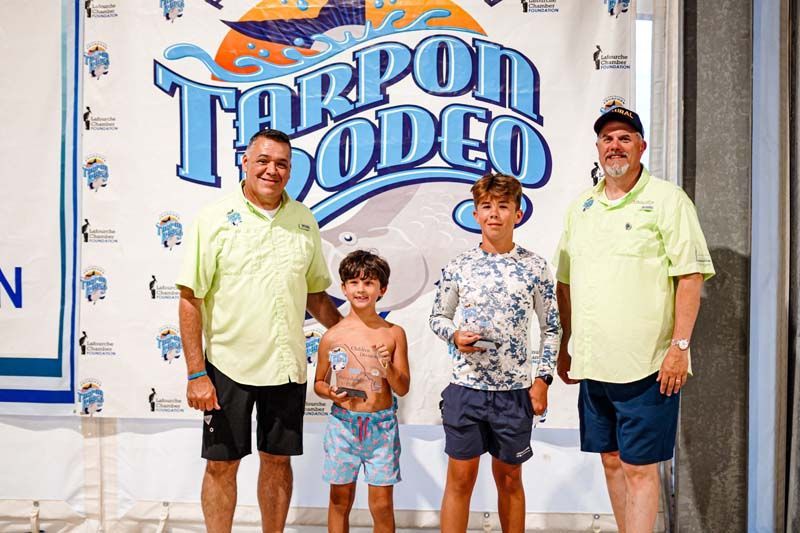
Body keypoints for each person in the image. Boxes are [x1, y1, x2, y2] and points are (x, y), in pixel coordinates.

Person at [554, 106, 715, 533]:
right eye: (607, 138)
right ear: (598, 148)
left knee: (639, 468)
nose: (615, 145)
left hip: (648, 366)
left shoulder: (667, 200)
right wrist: (565, 345)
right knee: (610, 461)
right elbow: (565, 283)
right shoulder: (581, 208)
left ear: (642, 146)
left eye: (625, 137)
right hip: (593, 364)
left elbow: (690, 275)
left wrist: (679, 349)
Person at [176, 128, 342, 533]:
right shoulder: (213, 218)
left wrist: (353, 335)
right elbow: (189, 298)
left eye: (282, 163)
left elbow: (316, 295)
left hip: (286, 367)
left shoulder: (303, 219)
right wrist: (197, 374)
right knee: (221, 464)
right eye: (263, 161)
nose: (272, 170)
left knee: (277, 460)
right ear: (245, 164)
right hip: (226, 367)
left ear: (290, 170)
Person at [429, 173, 561, 533]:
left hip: (514, 394)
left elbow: (552, 329)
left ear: (517, 214)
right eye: (487, 207)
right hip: (465, 389)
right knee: (460, 480)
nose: (494, 214)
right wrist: (454, 335)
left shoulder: (535, 267)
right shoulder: (459, 266)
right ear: (475, 214)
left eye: (503, 206)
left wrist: (542, 379)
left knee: (509, 480)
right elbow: (438, 317)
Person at [314, 250, 410, 533]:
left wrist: (387, 368)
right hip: (342, 426)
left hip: (382, 428)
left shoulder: (394, 333)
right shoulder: (332, 335)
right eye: (354, 282)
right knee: (339, 500)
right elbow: (319, 382)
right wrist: (331, 393)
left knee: (381, 505)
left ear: (382, 289)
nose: (361, 289)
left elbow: (402, 387)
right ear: (343, 288)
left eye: (369, 283)